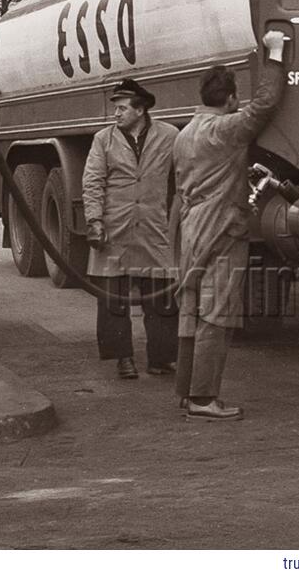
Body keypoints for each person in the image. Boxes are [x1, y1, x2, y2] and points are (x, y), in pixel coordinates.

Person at [173, 30, 288, 421]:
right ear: (232, 99)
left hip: (192, 228)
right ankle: (204, 398)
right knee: (217, 313)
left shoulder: (184, 134)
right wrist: (275, 53)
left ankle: (187, 392)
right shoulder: (224, 130)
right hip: (222, 228)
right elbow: (265, 104)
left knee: (193, 310)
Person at [81, 78, 179, 380]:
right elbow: (92, 181)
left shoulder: (170, 136)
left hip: (154, 228)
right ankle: (123, 358)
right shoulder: (103, 140)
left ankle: (161, 358)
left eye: (122, 108)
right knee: (114, 298)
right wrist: (94, 221)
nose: (116, 114)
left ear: (140, 110)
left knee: (161, 296)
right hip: (115, 229)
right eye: (116, 108)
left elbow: (183, 177)